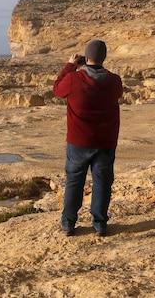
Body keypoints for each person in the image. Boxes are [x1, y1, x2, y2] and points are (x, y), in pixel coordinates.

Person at [53, 39, 124, 237]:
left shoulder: (75, 79)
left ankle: (69, 224)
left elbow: (57, 90)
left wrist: (70, 66)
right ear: (104, 57)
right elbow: (118, 93)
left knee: (74, 182)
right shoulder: (114, 80)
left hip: (78, 141)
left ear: (86, 57)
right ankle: (100, 223)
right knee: (102, 182)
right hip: (105, 141)